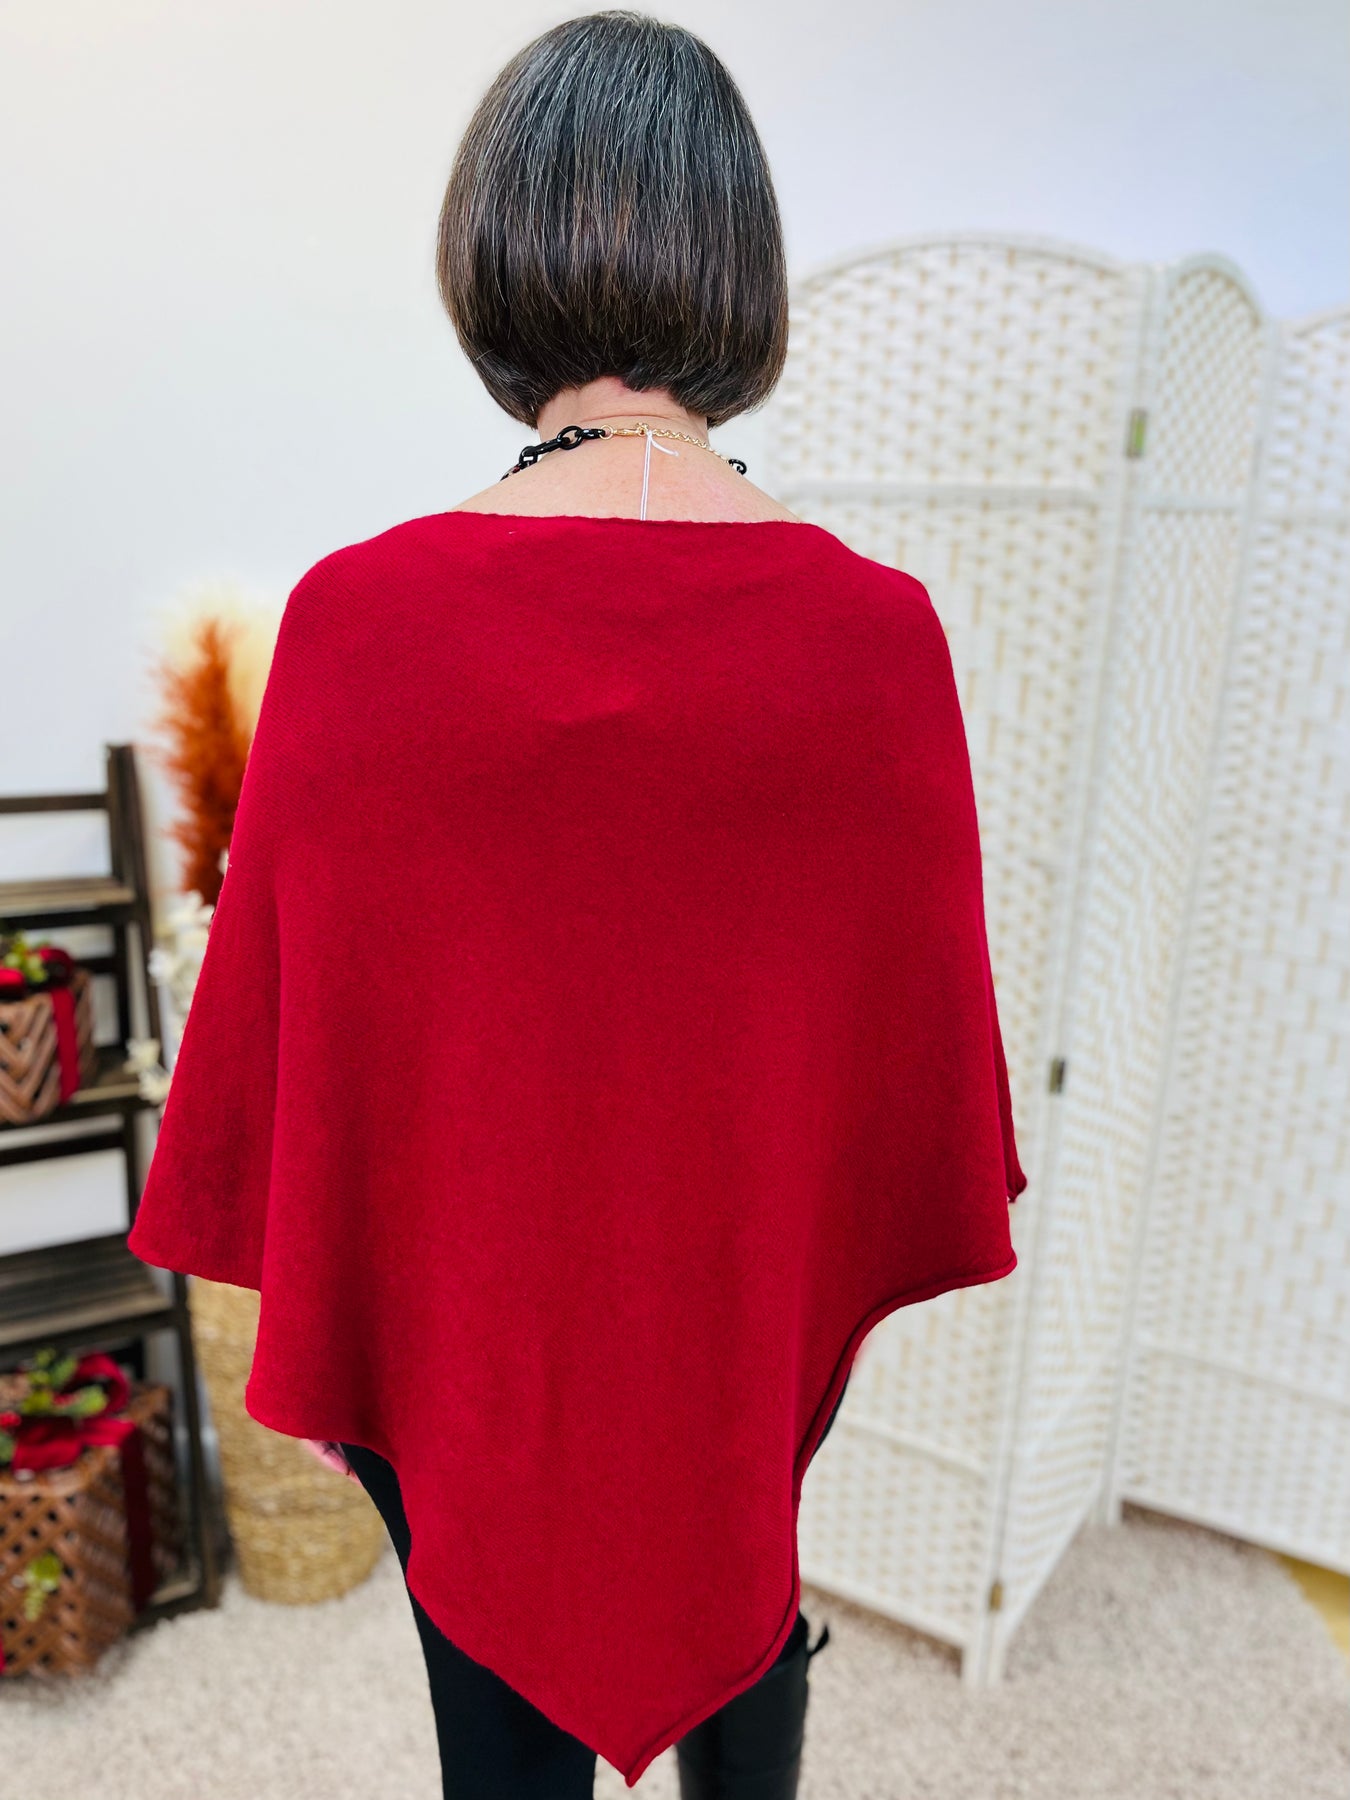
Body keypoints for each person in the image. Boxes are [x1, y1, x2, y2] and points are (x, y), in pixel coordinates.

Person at [127, 11, 1026, 1799]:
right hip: (733, 1335)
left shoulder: (357, 623)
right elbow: (903, 1089)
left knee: (497, 1723)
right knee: (745, 1546)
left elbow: (291, 1082)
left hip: (471, 1351)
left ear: (491, 256)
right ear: (738, 269)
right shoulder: (876, 641)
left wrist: (364, 1328)